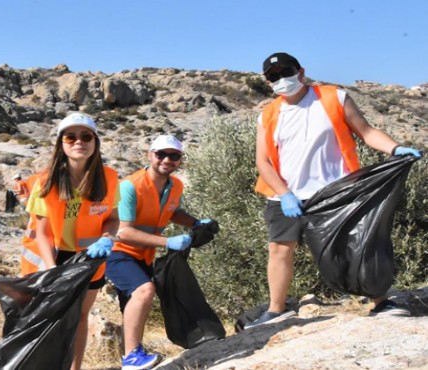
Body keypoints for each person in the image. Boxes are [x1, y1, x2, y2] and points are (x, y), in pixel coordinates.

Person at [247, 52, 423, 329]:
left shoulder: (333, 97)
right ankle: (276, 309)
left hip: (337, 191)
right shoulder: (267, 116)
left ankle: (380, 301)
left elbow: (366, 132)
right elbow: (263, 161)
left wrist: (395, 148)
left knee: (357, 245)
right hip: (286, 195)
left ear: (301, 71)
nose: (282, 79)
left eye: (286, 71)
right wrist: (284, 194)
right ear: (268, 82)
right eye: (274, 76)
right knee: (279, 249)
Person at [105, 134, 214, 368]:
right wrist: (167, 242)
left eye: (174, 156)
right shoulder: (130, 186)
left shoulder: (176, 186)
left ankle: (131, 355)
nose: (167, 159)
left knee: (132, 307)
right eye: (161, 154)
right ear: (149, 155)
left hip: (144, 255)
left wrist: (196, 223)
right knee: (145, 291)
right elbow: (124, 232)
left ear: (180, 159)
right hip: (118, 252)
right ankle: (132, 357)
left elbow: (172, 211)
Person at [26, 112, 120, 370]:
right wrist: (51, 268)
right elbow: (43, 232)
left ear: (95, 142)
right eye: (71, 136)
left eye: (86, 136)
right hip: (57, 258)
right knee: (52, 320)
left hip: (92, 260)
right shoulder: (45, 181)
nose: (79, 141)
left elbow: (113, 218)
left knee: (80, 318)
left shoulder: (109, 178)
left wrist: (107, 238)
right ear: (61, 143)